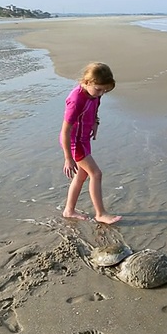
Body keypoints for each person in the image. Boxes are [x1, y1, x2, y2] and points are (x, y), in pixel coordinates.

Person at [60, 62, 122, 224]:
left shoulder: (94, 93)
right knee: (96, 173)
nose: (101, 93)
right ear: (87, 82)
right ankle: (100, 213)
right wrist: (68, 157)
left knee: (82, 175)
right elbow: (65, 131)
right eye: (99, 89)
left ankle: (69, 210)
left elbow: (95, 106)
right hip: (75, 143)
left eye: (105, 90)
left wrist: (95, 121)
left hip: (84, 139)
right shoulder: (76, 100)